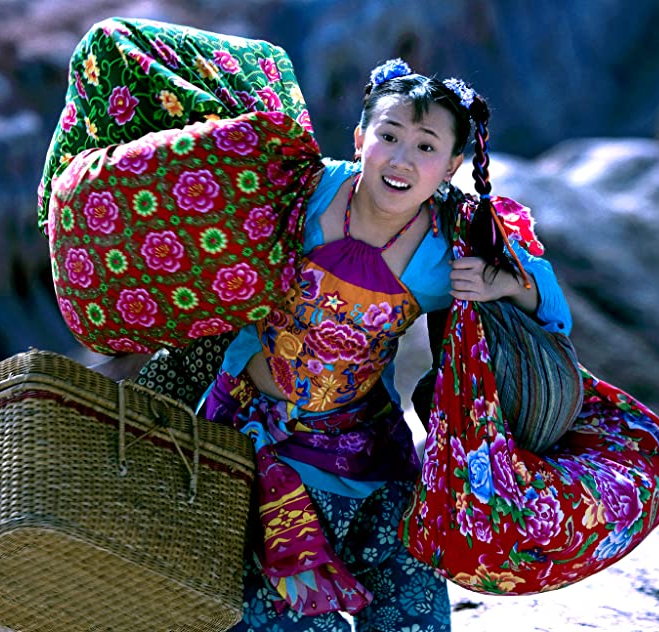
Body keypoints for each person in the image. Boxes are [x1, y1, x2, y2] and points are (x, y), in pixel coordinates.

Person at [197, 58, 573, 631]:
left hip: (366, 446)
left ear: (451, 166)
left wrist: (503, 283)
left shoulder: (451, 245)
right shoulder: (306, 194)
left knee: (413, 608)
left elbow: (553, 313)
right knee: (283, 619)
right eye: (388, 136)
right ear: (359, 139)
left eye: (426, 147)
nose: (400, 159)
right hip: (249, 435)